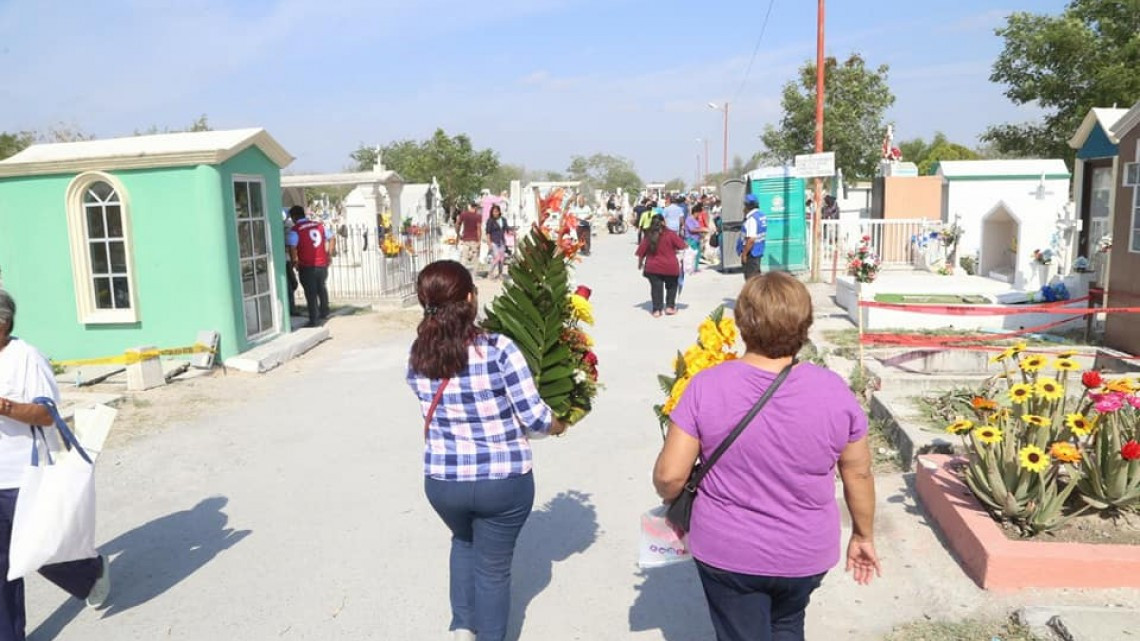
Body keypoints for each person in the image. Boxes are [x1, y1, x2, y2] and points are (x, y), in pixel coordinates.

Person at [653, 273, 880, 641]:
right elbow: (859, 474)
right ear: (805, 324)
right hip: (805, 554)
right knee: (787, 624)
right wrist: (863, 535)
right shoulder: (834, 391)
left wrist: (670, 498)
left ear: (742, 322)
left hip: (730, 553)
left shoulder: (706, 386)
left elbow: (669, 477)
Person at [406, 261, 566, 641]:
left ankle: (462, 628)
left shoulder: (418, 355)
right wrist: (560, 424)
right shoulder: (498, 349)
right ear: (469, 298)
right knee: (493, 569)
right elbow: (535, 417)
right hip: (502, 482)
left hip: (444, 481)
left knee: (463, 541)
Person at [0, 290, 112, 640]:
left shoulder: (26, 357)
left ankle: (91, 572)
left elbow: (47, 414)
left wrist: (4, 406)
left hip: (22, 475)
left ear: (2, 323)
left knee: (42, 550)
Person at [286, 206, 331, 327]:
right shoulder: (319, 225)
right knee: (321, 288)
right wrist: (329, 254)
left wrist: (295, 261)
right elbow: (332, 237)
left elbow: (292, 247)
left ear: (294, 217)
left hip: (307, 265)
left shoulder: (296, 230)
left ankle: (314, 319)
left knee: (310, 292)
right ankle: (324, 312)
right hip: (322, 264)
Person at [636, 215, 687, 317]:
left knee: (656, 288)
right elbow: (683, 246)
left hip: (653, 267)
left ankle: (657, 310)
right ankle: (669, 307)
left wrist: (640, 264)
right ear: (664, 222)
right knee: (672, 286)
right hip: (670, 266)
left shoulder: (648, 235)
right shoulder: (670, 234)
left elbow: (641, 252)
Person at [738, 194, 767, 280]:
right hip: (758, 250)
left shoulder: (752, 219)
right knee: (756, 278)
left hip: (751, 253)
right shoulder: (761, 215)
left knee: (751, 280)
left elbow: (751, 239)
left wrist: (744, 254)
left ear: (747, 206)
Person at [456, 202, 483, 274]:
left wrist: (458, 233)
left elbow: (458, 223)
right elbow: (479, 228)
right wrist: (479, 240)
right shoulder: (478, 216)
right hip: (474, 239)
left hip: (465, 239)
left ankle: (462, 273)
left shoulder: (463, 214)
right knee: (475, 257)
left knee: (464, 257)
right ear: (475, 208)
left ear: (470, 207)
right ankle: (474, 273)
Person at [484, 205, 508, 280]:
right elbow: (488, 232)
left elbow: (506, 229)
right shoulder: (490, 221)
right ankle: (490, 272)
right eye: (493, 212)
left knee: (502, 259)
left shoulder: (503, 220)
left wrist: (512, 232)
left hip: (501, 241)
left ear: (499, 212)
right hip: (494, 241)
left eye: (496, 211)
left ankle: (500, 274)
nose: (495, 213)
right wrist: (489, 243)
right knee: (497, 258)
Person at [283, 217, 301, 315]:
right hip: (285, 260)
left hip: (288, 260)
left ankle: (290, 307)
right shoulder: (285, 236)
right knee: (290, 285)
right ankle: (291, 308)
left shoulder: (289, 236)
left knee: (293, 283)